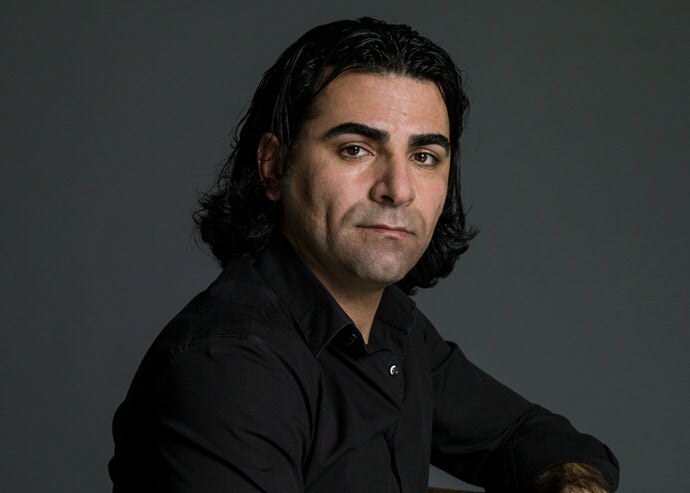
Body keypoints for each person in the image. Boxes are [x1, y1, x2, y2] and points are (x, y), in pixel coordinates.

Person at [109, 18, 619, 493]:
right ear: (273, 166)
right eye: (356, 148)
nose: (398, 188)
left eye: (424, 157)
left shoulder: (394, 329)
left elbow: (540, 442)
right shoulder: (230, 367)